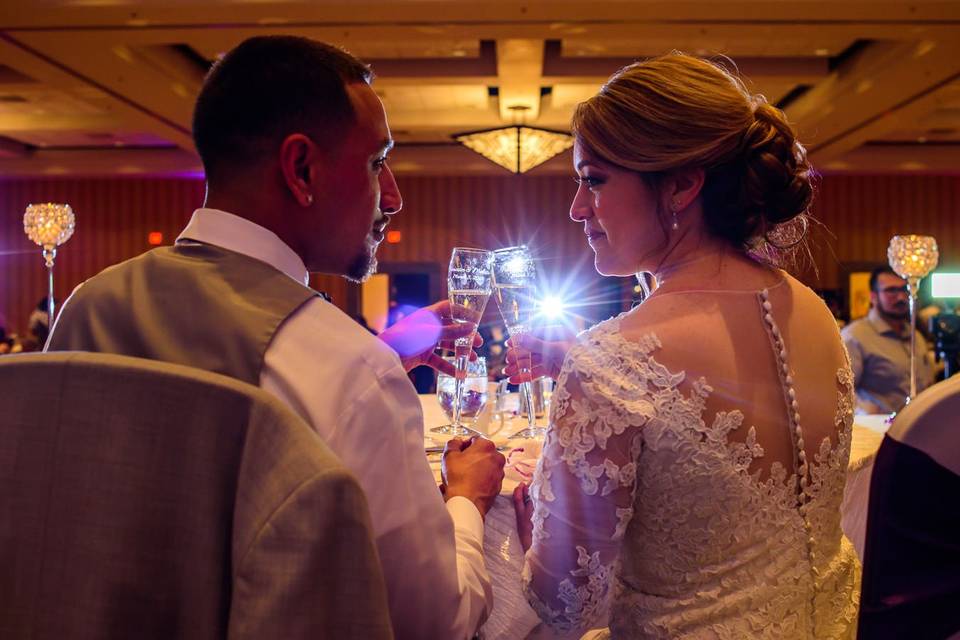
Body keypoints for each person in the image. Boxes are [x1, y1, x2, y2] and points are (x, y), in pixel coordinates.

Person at [46, 35, 504, 639]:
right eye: (377, 162)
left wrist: (381, 356)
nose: (392, 195)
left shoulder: (86, 307)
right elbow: (431, 621)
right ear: (302, 168)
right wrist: (467, 503)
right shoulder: (347, 370)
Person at [505, 53, 860, 638]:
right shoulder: (814, 311)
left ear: (681, 184)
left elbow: (566, 601)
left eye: (593, 180)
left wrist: (531, 537)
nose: (576, 208)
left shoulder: (612, 361)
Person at [842, 266, 934, 414]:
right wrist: (868, 412)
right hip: (879, 431)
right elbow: (840, 393)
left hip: (920, 427)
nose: (901, 297)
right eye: (891, 290)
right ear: (873, 297)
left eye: (904, 289)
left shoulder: (915, 335)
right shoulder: (854, 336)